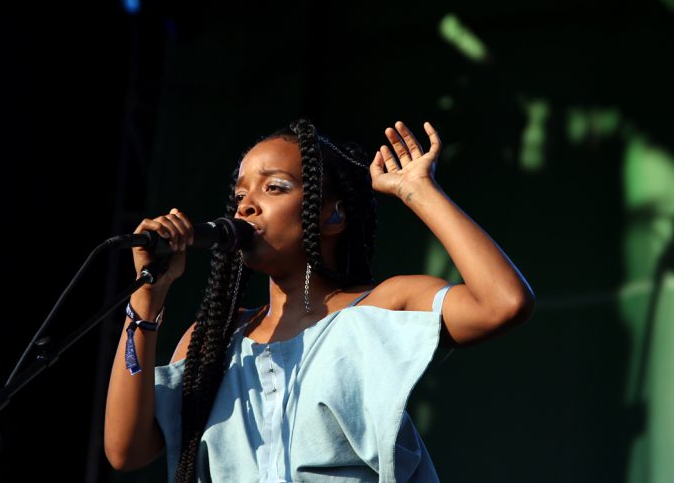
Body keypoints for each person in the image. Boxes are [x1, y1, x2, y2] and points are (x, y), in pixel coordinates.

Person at [104, 118, 535, 482]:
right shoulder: (215, 340)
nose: (246, 207)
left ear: (332, 214)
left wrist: (417, 190)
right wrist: (147, 298)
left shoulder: (380, 309)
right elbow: (126, 450)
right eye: (239, 196)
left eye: (274, 187)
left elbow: (504, 303)